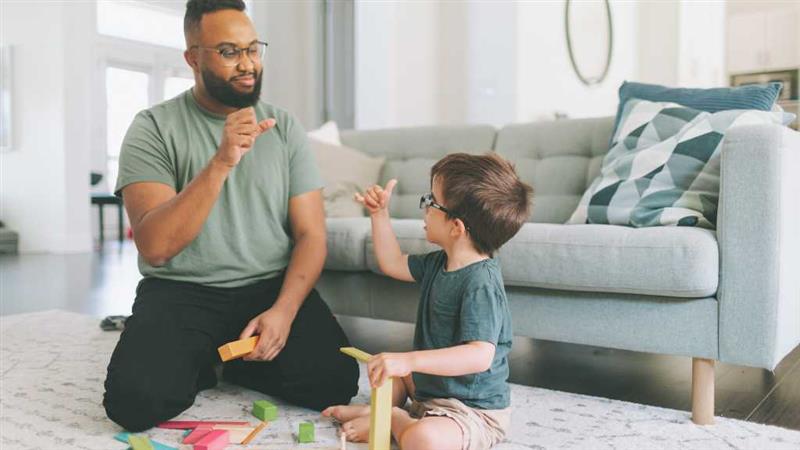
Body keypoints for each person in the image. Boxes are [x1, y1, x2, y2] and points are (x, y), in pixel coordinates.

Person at [103, 0, 358, 432]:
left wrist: (284, 311)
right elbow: (156, 247)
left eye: (252, 48)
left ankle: (229, 360)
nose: (247, 64)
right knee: (133, 403)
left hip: (267, 288)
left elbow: (311, 234)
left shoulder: (285, 126)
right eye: (228, 51)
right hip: (182, 290)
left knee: (335, 382)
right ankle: (205, 358)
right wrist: (221, 162)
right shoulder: (152, 128)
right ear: (193, 58)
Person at [324, 153, 533, 450]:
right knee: (388, 373)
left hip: (469, 410)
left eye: (431, 201)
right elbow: (392, 262)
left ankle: (393, 418)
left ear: (456, 227)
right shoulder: (440, 262)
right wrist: (379, 214)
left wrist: (408, 359)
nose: (424, 209)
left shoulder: (480, 283)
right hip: (428, 387)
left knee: (424, 441)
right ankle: (380, 412)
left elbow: (479, 356)